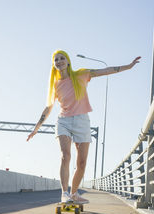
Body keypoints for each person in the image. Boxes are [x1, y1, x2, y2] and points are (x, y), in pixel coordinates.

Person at [27, 50, 140, 204]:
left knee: (82, 163)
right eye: (56, 60)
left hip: (82, 121)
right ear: (54, 65)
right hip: (64, 121)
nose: (59, 61)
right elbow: (48, 108)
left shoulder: (81, 74)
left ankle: (74, 193)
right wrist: (36, 128)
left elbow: (105, 71)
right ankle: (64, 193)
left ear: (68, 62)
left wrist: (128, 66)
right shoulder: (55, 84)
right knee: (65, 156)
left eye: (62, 58)